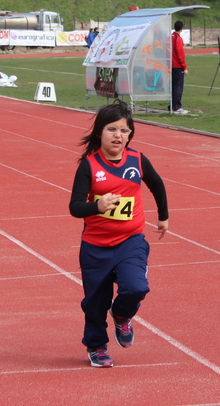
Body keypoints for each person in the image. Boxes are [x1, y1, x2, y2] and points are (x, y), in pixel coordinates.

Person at [68, 99, 169, 368]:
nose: (118, 136)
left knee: (136, 287)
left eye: (124, 131)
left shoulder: (137, 160)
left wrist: (163, 217)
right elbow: (75, 207)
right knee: (95, 303)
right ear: (100, 132)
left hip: (130, 240)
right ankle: (97, 346)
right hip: (96, 246)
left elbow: (157, 185)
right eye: (112, 129)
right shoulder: (89, 166)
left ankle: (122, 315)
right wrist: (97, 206)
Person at [170, 20, 188, 114]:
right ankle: (176, 106)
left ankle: (172, 104)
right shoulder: (177, 38)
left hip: (170, 65)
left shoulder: (171, 37)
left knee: (173, 86)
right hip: (177, 65)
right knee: (177, 86)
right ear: (182, 28)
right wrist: (184, 67)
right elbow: (180, 53)